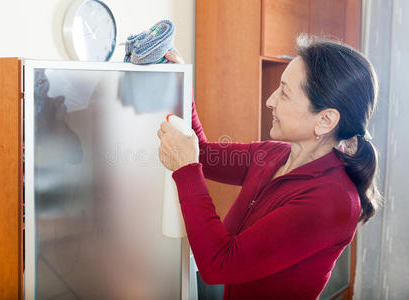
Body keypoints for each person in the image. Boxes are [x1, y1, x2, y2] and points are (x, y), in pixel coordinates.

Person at [157, 35, 381, 300]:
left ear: (325, 120)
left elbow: (219, 265)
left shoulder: (332, 201)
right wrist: (183, 89)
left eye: (284, 93)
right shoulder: (273, 154)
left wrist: (186, 171)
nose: (270, 101)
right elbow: (202, 155)